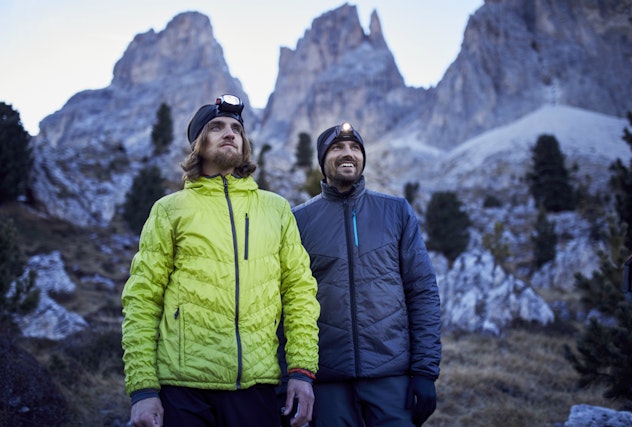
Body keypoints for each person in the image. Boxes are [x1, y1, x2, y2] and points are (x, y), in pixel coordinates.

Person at [121, 94, 319, 427]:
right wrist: (143, 389)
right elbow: (142, 300)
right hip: (183, 391)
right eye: (216, 127)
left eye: (236, 129)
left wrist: (302, 371)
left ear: (244, 144)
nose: (229, 133)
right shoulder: (169, 210)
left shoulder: (276, 209)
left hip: (256, 388)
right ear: (198, 144)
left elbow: (299, 294)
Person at [292, 122, 441, 427]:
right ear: (323, 160)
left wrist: (425, 371)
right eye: (337, 147)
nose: (348, 154)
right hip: (328, 381)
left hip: (391, 378)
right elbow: (288, 302)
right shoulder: (299, 220)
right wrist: (290, 378)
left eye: (355, 148)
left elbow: (422, 291)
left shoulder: (396, 211)